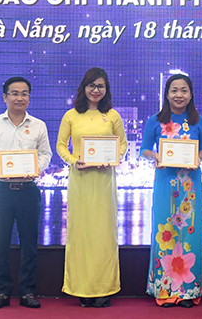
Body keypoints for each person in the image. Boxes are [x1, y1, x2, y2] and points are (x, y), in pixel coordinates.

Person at [0, 76, 52, 309]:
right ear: (5, 97)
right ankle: (2, 292)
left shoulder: (38, 125)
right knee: (0, 244)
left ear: (29, 97)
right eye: (15, 93)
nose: (20, 97)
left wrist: (39, 167)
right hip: (2, 191)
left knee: (29, 244)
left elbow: (46, 153)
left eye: (24, 93)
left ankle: (27, 292)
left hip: (28, 191)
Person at [56, 67, 127, 307]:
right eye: (91, 85)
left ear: (106, 89)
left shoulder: (113, 116)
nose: (96, 90)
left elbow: (123, 146)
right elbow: (61, 146)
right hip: (81, 181)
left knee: (104, 234)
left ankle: (104, 288)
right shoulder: (71, 116)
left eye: (101, 86)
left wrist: (113, 158)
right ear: (83, 88)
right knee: (81, 234)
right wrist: (76, 161)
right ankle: (81, 289)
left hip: (104, 181)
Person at [140, 74, 202, 308]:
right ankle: (165, 290)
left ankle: (188, 291)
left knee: (190, 235)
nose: (179, 95)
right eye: (174, 90)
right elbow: (144, 150)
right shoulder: (155, 120)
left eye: (184, 91)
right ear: (166, 94)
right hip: (165, 185)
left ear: (190, 94)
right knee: (165, 233)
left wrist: (197, 158)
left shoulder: (199, 121)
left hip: (190, 186)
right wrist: (156, 155)